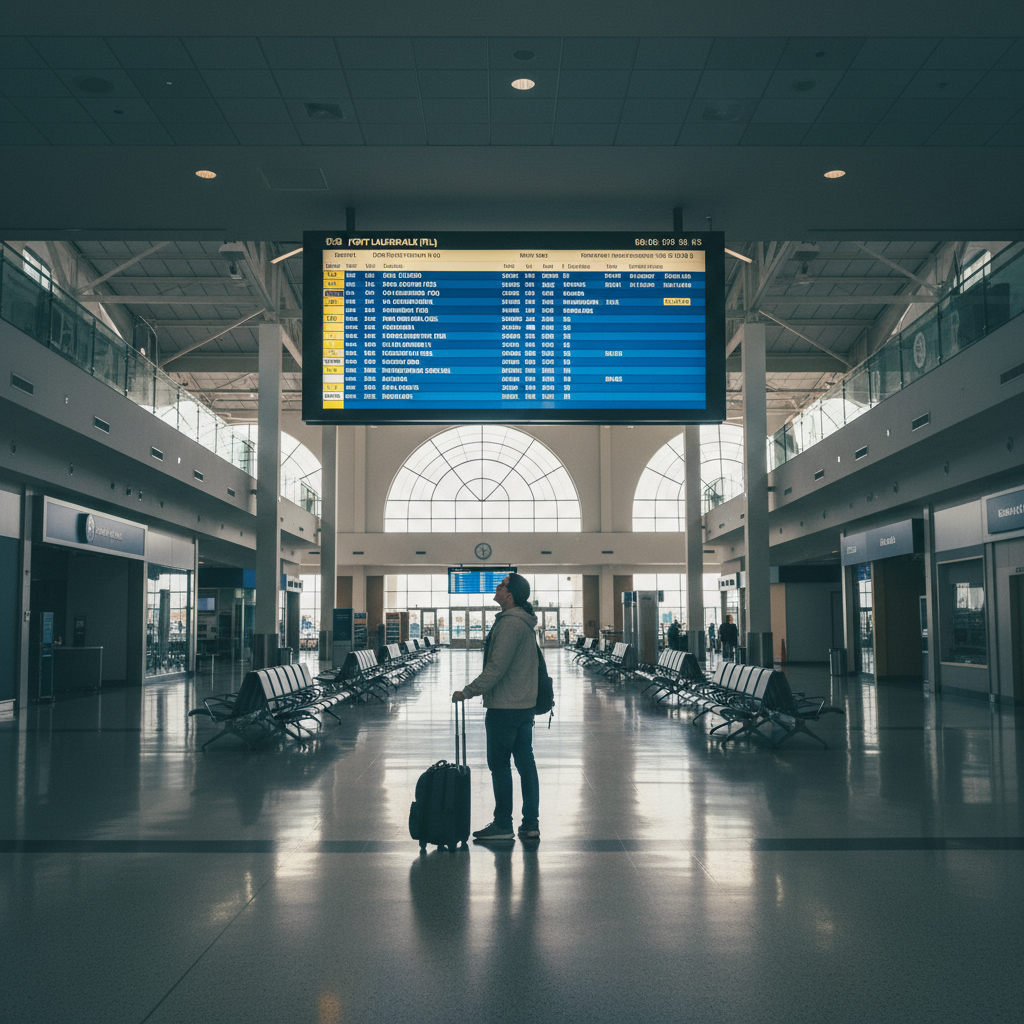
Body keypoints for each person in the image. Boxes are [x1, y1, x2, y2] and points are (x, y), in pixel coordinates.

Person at [452, 572, 540, 842]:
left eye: (502, 585)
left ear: (510, 595)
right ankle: (530, 824)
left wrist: (467, 691)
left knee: (500, 766)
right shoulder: (522, 623)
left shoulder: (510, 624)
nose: (497, 587)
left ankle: (503, 824)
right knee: (526, 764)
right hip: (524, 706)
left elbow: (496, 668)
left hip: (505, 708)